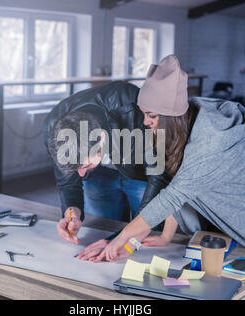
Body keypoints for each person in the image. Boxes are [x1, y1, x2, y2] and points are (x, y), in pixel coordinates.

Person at [77, 55, 245, 262]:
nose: (145, 122)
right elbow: (168, 184)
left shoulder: (210, 143)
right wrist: (156, 237)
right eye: (143, 113)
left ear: (173, 117)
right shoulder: (176, 130)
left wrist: (119, 239)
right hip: (221, 222)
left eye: (151, 115)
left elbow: (172, 197)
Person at [44, 81, 171, 244]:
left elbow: (159, 174)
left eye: (85, 166)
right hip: (100, 175)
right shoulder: (53, 129)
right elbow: (68, 183)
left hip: (142, 171)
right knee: (101, 230)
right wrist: (72, 211)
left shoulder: (131, 107)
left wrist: (125, 237)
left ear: (101, 138)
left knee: (147, 234)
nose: (81, 174)